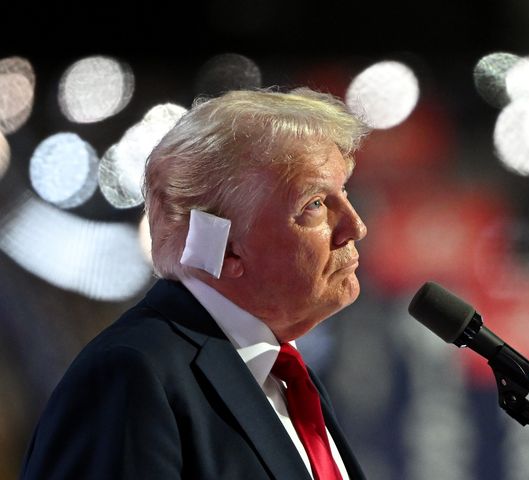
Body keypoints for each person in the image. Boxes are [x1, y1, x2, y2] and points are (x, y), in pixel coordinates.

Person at [20, 88, 370, 479]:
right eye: (315, 205)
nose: (355, 227)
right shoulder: (130, 376)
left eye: (344, 192)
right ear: (225, 248)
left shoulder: (282, 375)